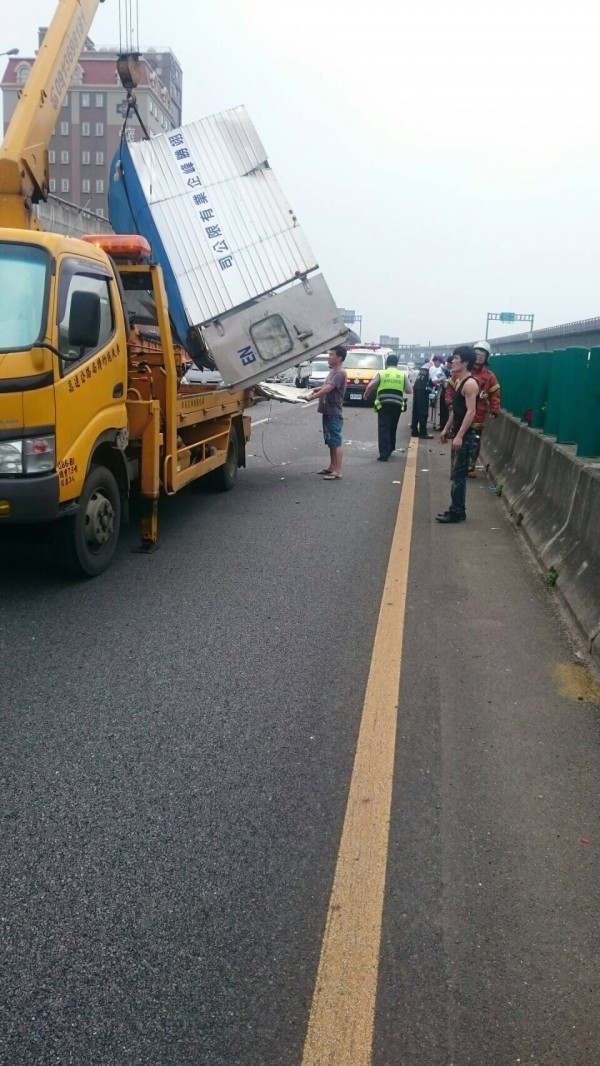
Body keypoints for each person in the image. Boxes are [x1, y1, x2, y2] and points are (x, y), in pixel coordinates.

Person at [444, 340, 501, 477]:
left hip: (478, 416)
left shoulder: (490, 377)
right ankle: (456, 467)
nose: (480, 356)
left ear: (487, 357)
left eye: (483, 354)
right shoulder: (460, 373)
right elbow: (450, 389)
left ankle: (470, 466)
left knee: (474, 442)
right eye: (477, 354)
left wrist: (494, 408)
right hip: (461, 414)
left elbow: (495, 394)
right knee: (458, 441)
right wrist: (450, 402)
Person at [436, 346, 479, 523]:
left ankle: (458, 512)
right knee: (455, 474)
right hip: (459, 433)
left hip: (466, 436)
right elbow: (457, 411)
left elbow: (471, 412)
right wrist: (447, 428)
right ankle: (455, 508)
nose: (452, 361)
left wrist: (460, 435)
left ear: (466, 362)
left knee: (459, 475)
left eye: (456, 358)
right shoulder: (459, 381)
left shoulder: (470, 384)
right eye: (453, 358)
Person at [308, 345, 347, 479]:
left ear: (339, 358)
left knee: (336, 441)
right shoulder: (333, 371)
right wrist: (313, 390)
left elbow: (328, 389)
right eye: (328, 354)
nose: (328, 357)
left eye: (331, 355)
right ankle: (331, 467)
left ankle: (337, 471)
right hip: (327, 410)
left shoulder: (340, 373)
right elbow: (325, 386)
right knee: (330, 441)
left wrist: (312, 397)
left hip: (334, 411)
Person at [364, 353, 412, 461]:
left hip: (384, 404)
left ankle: (384, 454)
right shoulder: (402, 375)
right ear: (397, 364)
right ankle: (390, 448)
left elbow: (371, 385)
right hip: (397, 405)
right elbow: (409, 390)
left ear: (386, 363)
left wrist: (366, 393)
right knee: (392, 427)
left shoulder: (382, 373)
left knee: (383, 428)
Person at [411, 363, 434, 438]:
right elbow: (435, 380)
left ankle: (414, 431)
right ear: (437, 361)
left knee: (416, 411)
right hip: (423, 391)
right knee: (423, 412)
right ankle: (423, 432)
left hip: (417, 389)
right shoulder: (432, 368)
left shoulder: (424, 367)